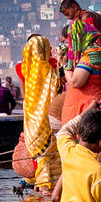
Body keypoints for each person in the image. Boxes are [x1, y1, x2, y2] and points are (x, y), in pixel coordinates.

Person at [16, 35, 61, 189]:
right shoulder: (51, 69)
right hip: (47, 118)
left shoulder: (24, 68)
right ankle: (47, 187)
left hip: (31, 118)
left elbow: (23, 95)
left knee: (39, 153)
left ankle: (40, 184)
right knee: (49, 153)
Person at [57, 0, 101, 121]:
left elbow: (75, 82)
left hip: (96, 61)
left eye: (67, 13)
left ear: (74, 6)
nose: (68, 18)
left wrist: (66, 65)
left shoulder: (88, 18)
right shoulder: (79, 21)